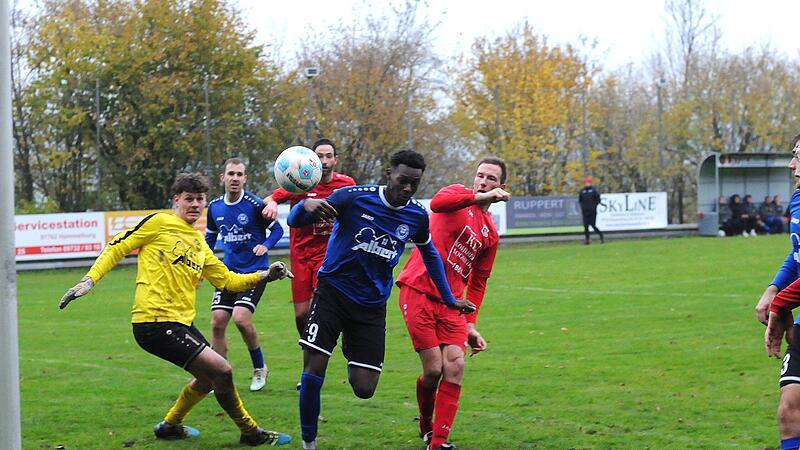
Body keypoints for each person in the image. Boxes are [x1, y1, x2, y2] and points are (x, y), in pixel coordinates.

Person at [58, 173, 293, 446]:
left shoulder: (198, 244)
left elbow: (228, 281)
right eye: (189, 199)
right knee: (223, 371)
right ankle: (250, 432)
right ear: (176, 200)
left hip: (179, 324)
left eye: (200, 199)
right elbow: (117, 246)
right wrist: (90, 279)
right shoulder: (159, 223)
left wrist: (264, 275)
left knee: (206, 379)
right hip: (155, 323)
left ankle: (169, 426)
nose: (195, 204)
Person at [287, 150, 476, 450]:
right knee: (314, 368)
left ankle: (350, 343)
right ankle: (309, 443)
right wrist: (305, 203)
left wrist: (450, 298)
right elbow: (296, 221)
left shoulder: (415, 215)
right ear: (389, 173)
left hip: (371, 306)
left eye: (414, 183)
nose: (408, 189)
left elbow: (430, 255)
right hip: (332, 293)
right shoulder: (351, 197)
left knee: (365, 388)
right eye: (403, 181)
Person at [396, 157, 510, 450]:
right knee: (433, 369)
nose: (483, 181)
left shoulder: (490, 234)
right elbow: (437, 204)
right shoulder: (456, 196)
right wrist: (478, 196)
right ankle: (425, 423)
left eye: (491, 179)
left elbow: (479, 283)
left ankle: (438, 443)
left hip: (453, 304)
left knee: (456, 366)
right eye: (480, 176)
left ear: (502, 187)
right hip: (418, 290)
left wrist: (471, 324)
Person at [262, 138, 356, 338]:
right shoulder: (299, 181)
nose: (324, 161)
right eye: (320, 156)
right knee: (301, 315)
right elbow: (270, 198)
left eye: (328, 156)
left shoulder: (346, 184)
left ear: (335, 159)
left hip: (328, 256)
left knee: (317, 308)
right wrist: (271, 204)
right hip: (301, 257)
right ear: (312, 160)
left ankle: (321, 346)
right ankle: (307, 344)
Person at [206, 158, 284, 392]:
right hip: (227, 274)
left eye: (240, 174)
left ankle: (260, 367)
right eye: (231, 174)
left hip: (255, 273)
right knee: (217, 322)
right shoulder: (215, 207)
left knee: (241, 319)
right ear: (223, 177)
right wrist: (201, 265)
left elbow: (278, 229)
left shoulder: (255, 204)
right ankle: (218, 375)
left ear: (245, 179)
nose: (235, 178)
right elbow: (209, 238)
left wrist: (266, 245)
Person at [756, 133, 800, 450]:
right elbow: (798, 254)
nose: (792, 163)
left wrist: (782, 303)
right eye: (794, 154)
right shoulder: (798, 199)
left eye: (799, 155)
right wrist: (774, 288)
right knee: (788, 412)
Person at [578, 176, 604, 244]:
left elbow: (598, 200)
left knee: (593, 225)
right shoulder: (582, 191)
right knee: (586, 226)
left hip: (592, 212)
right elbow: (580, 200)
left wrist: (594, 206)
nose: (587, 184)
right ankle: (587, 240)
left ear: (590, 183)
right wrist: (582, 207)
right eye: (585, 183)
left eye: (588, 183)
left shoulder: (593, 190)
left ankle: (601, 236)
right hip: (585, 212)